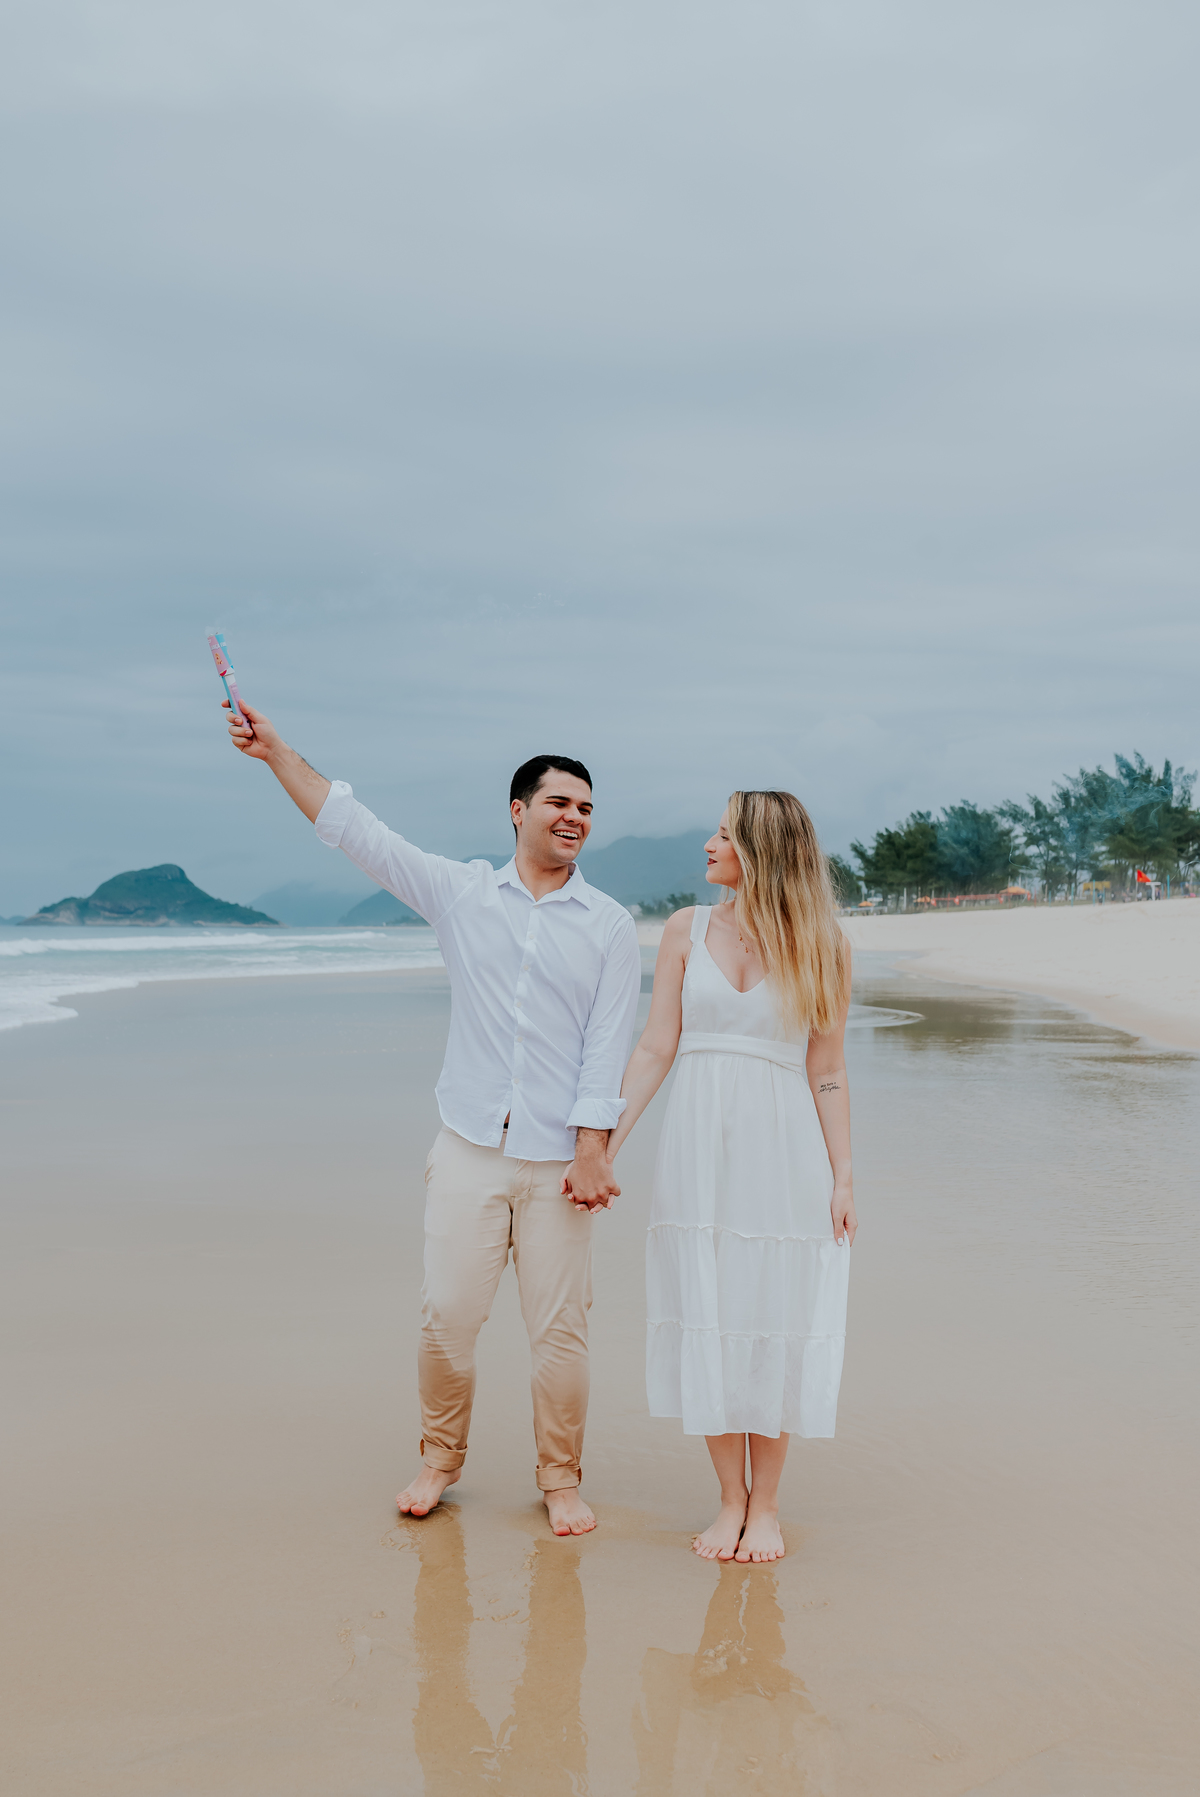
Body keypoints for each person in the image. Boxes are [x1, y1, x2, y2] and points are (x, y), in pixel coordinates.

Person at [223, 700, 641, 1536]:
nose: (576, 818)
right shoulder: (460, 894)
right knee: (447, 1318)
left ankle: (560, 1479)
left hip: (562, 1162)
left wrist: (593, 1150)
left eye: (588, 808)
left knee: (561, 1335)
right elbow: (356, 829)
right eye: (561, 802)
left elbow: (608, 1048)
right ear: (519, 810)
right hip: (468, 1149)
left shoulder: (610, 925)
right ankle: (439, 1458)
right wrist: (277, 754)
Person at [580, 790, 856, 1563]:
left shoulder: (822, 941)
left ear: (761, 850)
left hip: (785, 1153)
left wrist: (843, 1175)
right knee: (706, 1307)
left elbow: (827, 1068)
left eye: (725, 834)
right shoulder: (684, 930)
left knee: (769, 1319)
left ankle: (765, 1505)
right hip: (696, 1155)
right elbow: (654, 1047)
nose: (707, 843)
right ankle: (728, 1500)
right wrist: (604, 1144)